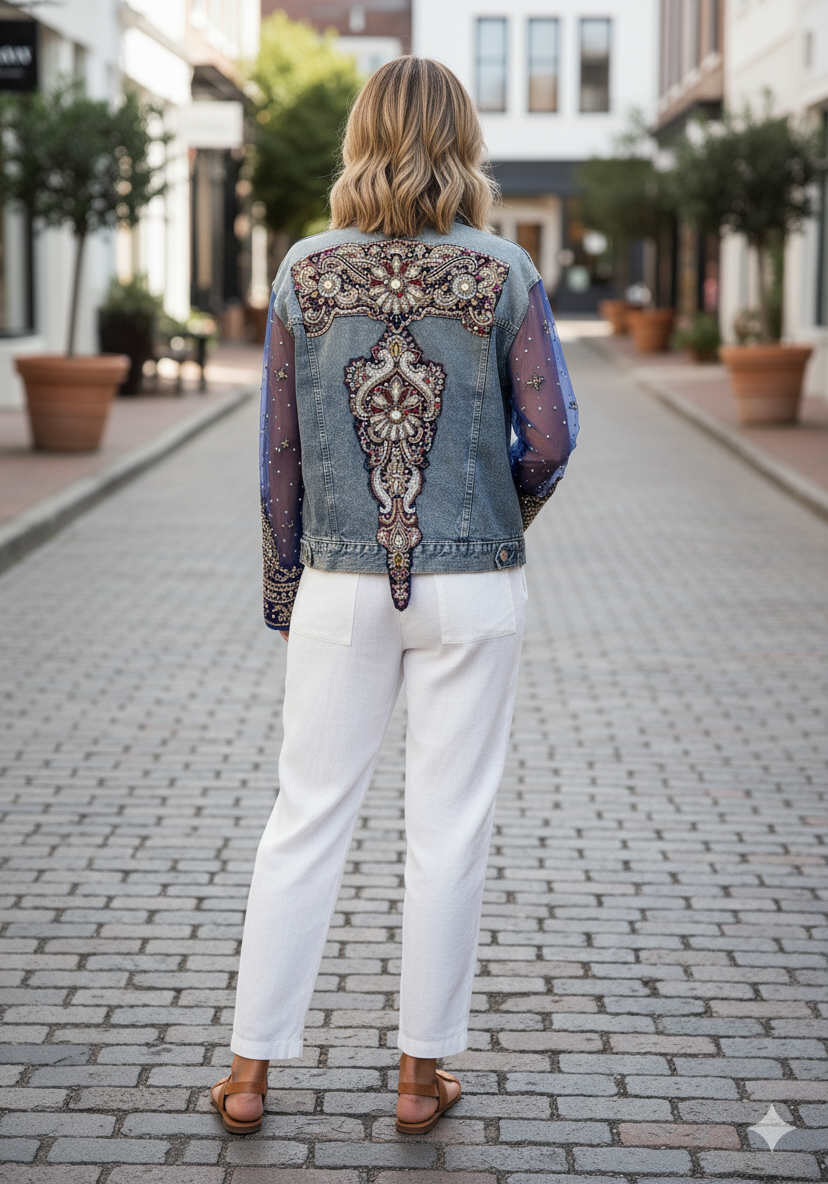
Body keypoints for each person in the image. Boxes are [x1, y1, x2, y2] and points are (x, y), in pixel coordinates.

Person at [211, 55, 579, 1136]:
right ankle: (420, 1079)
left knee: (304, 818)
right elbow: (551, 438)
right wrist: (495, 514)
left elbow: (279, 453)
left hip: (340, 579)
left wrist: (291, 584)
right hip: (472, 587)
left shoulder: (304, 272)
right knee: (448, 827)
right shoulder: (504, 271)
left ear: (360, 136)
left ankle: (247, 1074)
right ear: (463, 140)